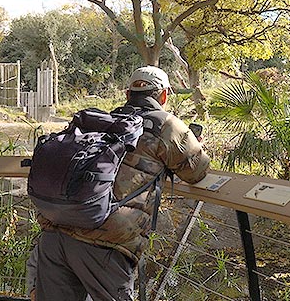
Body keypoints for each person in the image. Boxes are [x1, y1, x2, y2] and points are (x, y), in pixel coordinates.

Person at [34, 65, 210, 301]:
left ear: (128, 95)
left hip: (56, 232)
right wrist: (197, 144)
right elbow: (197, 171)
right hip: (105, 241)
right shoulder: (165, 124)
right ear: (164, 95)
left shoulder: (107, 120)